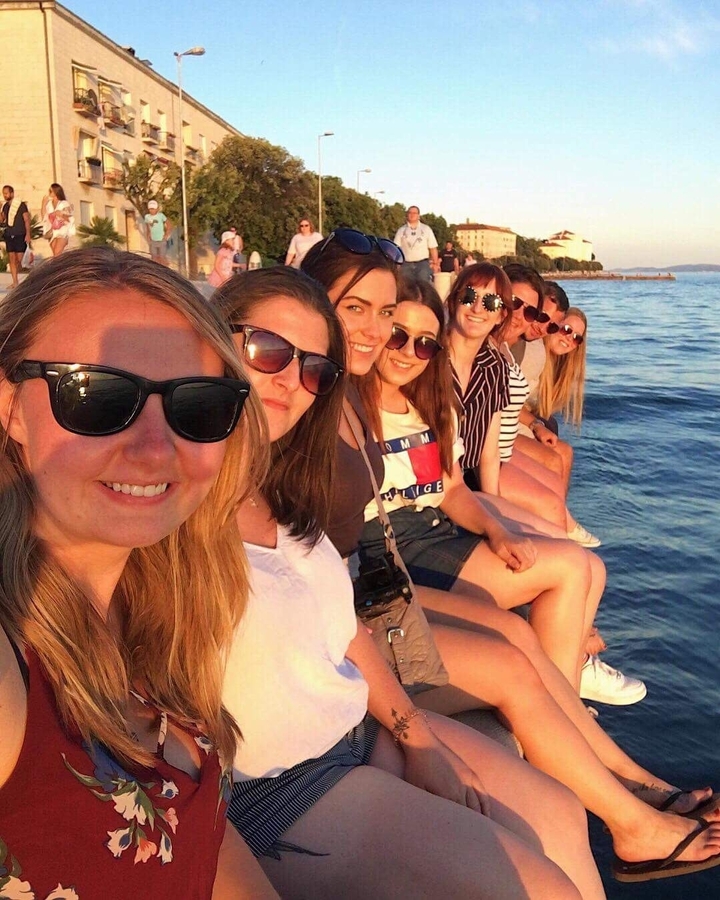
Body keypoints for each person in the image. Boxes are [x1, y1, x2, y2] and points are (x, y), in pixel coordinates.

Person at [298, 250, 720, 886]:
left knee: (522, 636)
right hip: (358, 600)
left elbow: (442, 490)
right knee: (513, 665)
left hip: (374, 582)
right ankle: (633, 823)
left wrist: (499, 526)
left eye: (407, 330)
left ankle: (636, 786)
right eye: (370, 316)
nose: (401, 344)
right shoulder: (322, 406)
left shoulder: (367, 401)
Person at [213, 267, 603, 899]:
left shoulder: (281, 488)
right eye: (267, 350)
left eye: (313, 366)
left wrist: (415, 739)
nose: (290, 378)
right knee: (537, 886)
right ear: (207, 343)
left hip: (358, 731)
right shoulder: (171, 505)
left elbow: (343, 628)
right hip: (278, 786)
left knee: (558, 818)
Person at [0, 247, 277, 899]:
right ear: (10, 408)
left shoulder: (159, 613)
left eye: (199, 407)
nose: (156, 449)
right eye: (96, 397)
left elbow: (200, 842)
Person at [537, 307, 588, 428]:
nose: (570, 339)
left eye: (577, 338)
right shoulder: (534, 355)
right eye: (566, 329)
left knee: (551, 425)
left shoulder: (558, 370)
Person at [393, 205, 438, 282]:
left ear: (418, 216)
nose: (412, 215)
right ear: (407, 215)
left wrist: (435, 263)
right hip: (406, 264)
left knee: (423, 286)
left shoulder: (426, 229)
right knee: (406, 287)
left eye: (414, 213)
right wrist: (396, 264)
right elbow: (396, 248)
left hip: (422, 264)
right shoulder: (401, 230)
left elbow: (433, 248)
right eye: (410, 213)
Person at [0, 185, 32, 287]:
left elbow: (26, 219)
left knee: (18, 260)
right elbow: (2, 220)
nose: (5, 195)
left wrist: (28, 234)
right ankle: (15, 282)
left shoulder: (21, 205)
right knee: (12, 259)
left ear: (12, 193)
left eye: (6, 193)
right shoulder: (5, 206)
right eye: (3, 193)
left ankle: (19, 278)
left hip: (20, 234)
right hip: (9, 234)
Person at [41, 183, 74, 256]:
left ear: (56, 192)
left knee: (57, 253)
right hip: (52, 231)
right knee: (56, 255)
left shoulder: (64, 203)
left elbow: (69, 216)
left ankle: (61, 266)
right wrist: (43, 204)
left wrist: (60, 213)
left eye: (51, 191)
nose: (49, 193)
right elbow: (44, 217)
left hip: (62, 231)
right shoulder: (49, 204)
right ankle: (63, 266)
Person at [143, 199, 172, 265]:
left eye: (153, 209)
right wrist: (148, 236)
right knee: (154, 258)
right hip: (153, 240)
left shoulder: (161, 215)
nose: (151, 210)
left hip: (161, 240)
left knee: (162, 257)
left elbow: (169, 224)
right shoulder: (147, 217)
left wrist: (166, 234)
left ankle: (165, 269)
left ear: (156, 209)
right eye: (150, 209)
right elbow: (148, 227)